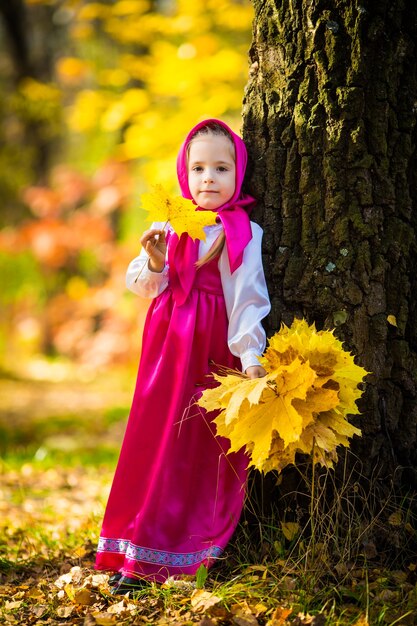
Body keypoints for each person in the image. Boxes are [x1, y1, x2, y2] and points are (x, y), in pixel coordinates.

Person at [95, 119, 271, 594]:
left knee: (200, 443)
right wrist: (154, 260)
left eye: (221, 167)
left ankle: (185, 548)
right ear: (183, 172)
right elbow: (143, 286)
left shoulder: (243, 232)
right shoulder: (169, 223)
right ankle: (135, 546)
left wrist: (250, 355)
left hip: (214, 347)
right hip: (167, 346)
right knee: (156, 437)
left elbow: (248, 299)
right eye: (198, 168)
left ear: (240, 174)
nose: (208, 178)